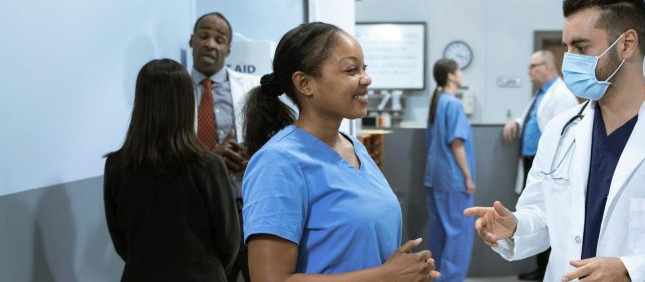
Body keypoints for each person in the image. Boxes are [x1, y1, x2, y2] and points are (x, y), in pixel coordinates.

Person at [464, 1, 645, 281]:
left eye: (581, 47)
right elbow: (542, 216)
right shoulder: (560, 130)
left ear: (627, 44)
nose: (568, 60)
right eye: (567, 47)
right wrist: (514, 226)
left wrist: (630, 270)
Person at [239, 22, 440, 281]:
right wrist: (383, 276)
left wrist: (407, 272)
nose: (366, 79)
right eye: (351, 70)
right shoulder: (278, 162)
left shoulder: (353, 147)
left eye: (364, 69)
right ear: (304, 83)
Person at [104, 59, 241, 281]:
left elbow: (121, 241)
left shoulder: (116, 165)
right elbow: (229, 240)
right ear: (187, 102)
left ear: (141, 102)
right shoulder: (208, 165)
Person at [188, 12, 264, 281]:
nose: (210, 44)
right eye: (204, 35)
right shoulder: (177, 91)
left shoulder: (252, 88)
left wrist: (253, 151)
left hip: (244, 206)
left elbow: (274, 140)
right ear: (192, 40)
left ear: (228, 48)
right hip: (196, 210)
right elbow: (168, 151)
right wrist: (209, 157)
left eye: (219, 39)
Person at [501, 50, 578, 281]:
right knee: (534, 210)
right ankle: (538, 266)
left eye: (533, 66)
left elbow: (564, 137)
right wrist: (515, 122)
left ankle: (544, 267)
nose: (529, 71)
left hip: (550, 167)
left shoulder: (562, 96)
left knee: (548, 215)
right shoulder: (542, 93)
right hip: (532, 162)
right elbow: (533, 117)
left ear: (547, 67)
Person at [424, 58, 476, 282]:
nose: (461, 74)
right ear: (451, 76)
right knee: (459, 234)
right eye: (458, 71)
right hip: (453, 179)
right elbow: (457, 143)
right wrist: (467, 176)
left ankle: (437, 277)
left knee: (440, 233)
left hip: (436, 177)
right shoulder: (453, 103)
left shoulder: (437, 102)